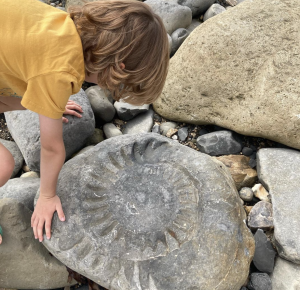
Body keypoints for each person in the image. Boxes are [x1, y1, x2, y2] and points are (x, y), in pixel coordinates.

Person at [0, 0, 169, 245]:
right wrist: (47, 195)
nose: (110, 88)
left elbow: (24, 61)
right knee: (4, 165)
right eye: (119, 85)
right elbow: (51, 148)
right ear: (118, 68)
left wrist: (50, 104)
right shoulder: (58, 73)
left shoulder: (58, 23)